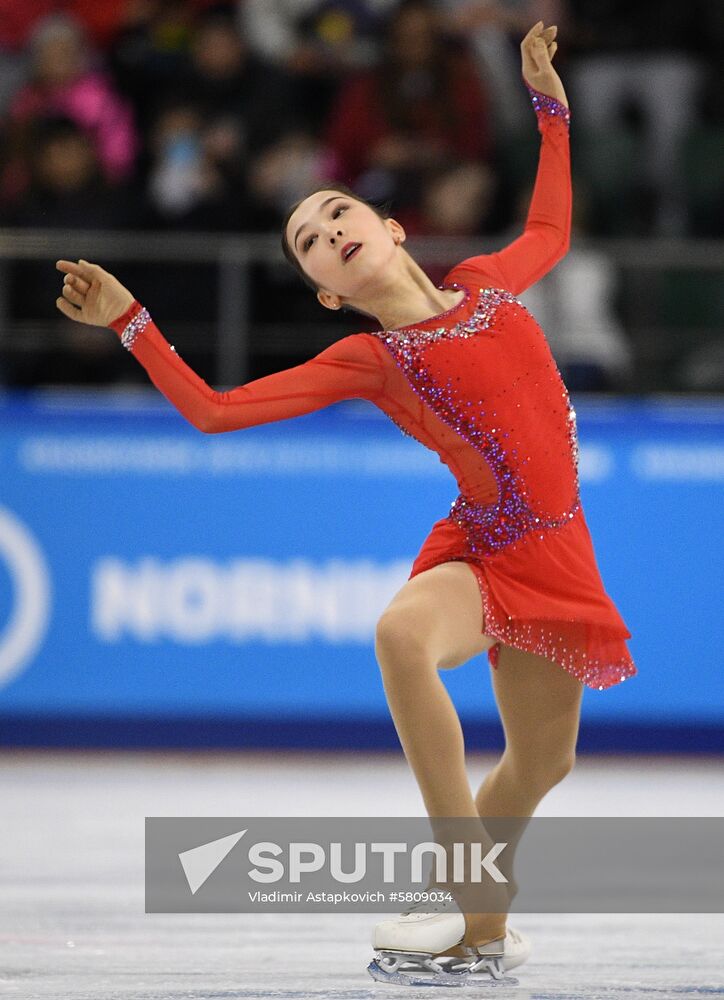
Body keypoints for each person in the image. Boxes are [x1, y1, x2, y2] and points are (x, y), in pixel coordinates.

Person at [54, 22, 636, 986]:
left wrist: (550, 107)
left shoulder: (488, 285)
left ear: (391, 226)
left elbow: (550, 232)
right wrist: (131, 321)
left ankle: (481, 933)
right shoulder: (369, 358)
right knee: (402, 637)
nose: (329, 233)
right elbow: (215, 410)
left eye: (336, 214)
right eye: (310, 244)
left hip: (561, 548)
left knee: (544, 762)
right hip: (485, 545)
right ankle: (461, 887)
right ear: (326, 293)